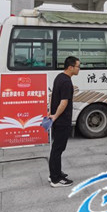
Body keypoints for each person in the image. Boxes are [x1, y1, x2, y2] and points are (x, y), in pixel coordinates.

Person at [48, 55, 80, 187]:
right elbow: (64, 102)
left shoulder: (59, 77)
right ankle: (55, 179)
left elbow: (52, 96)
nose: (79, 69)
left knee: (57, 148)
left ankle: (55, 173)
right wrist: (55, 116)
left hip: (58, 120)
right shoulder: (66, 82)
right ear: (70, 67)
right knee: (58, 149)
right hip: (62, 120)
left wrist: (51, 112)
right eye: (78, 66)